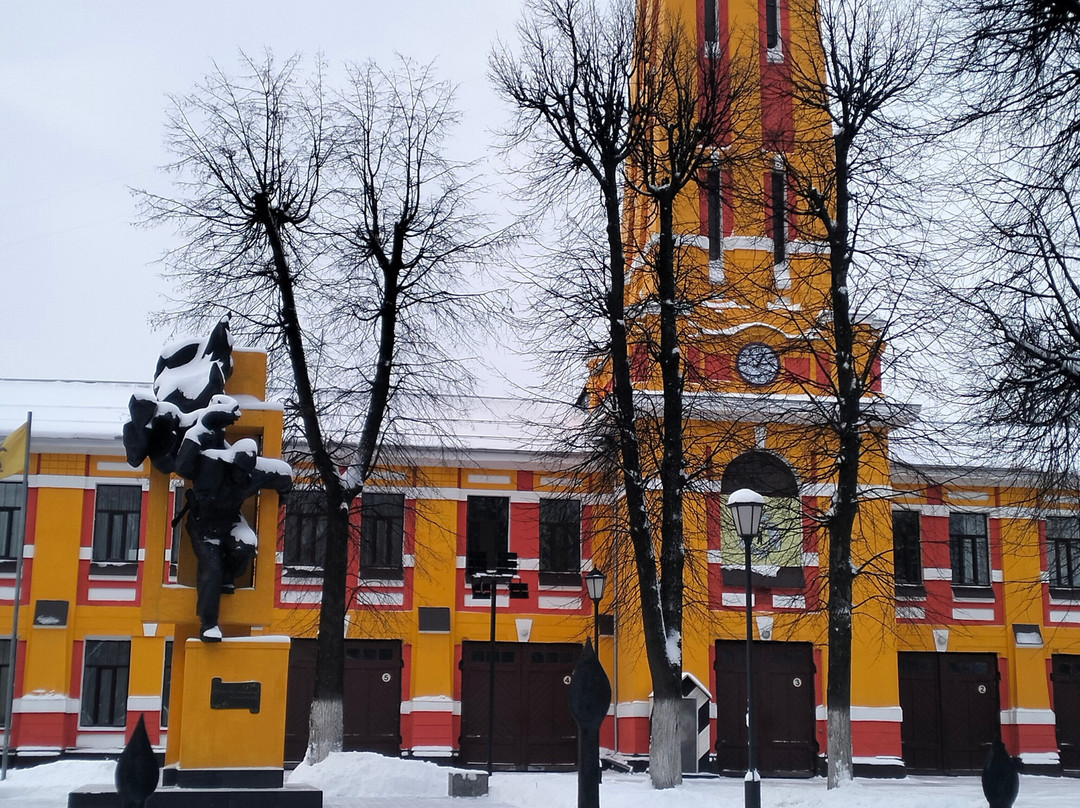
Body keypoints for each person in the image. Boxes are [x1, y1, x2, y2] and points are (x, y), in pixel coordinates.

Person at [174, 396, 292, 641]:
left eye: (246, 473)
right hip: (203, 525)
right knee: (211, 568)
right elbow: (182, 465)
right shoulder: (210, 464)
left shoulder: (254, 474)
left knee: (246, 546)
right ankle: (208, 624)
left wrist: (283, 498)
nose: (242, 477)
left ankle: (229, 575)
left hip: (230, 522)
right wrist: (202, 426)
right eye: (238, 472)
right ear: (230, 463)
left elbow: (283, 474)